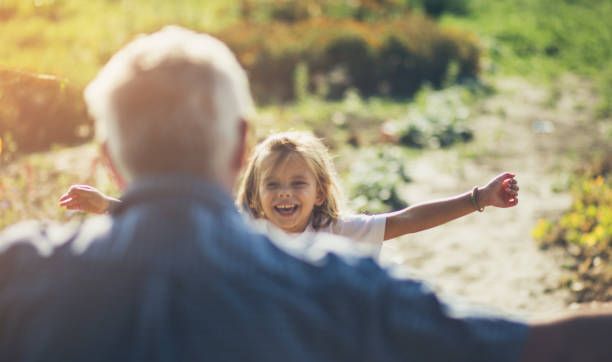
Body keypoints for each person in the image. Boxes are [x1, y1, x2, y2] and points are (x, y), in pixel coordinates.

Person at [1, 25, 610, 361]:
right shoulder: (343, 287)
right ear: (242, 150)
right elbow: (545, 345)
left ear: (109, 160)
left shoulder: (19, 276)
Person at [60, 130, 520, 255]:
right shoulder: (239, 228)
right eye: (273, 184)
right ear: (255, 195)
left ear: (319, 192)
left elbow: (404, 220)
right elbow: (172, 226)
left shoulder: (338, 230)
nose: (285, 194)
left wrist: (478, 198)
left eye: (298, 183)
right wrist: (107, 205)